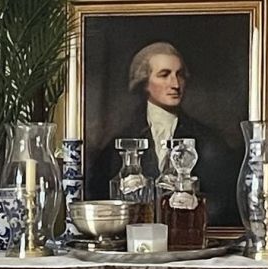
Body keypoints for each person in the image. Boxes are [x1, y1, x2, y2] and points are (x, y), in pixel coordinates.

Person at [90, 40, 241, 226]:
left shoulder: (209, 141)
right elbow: (101, 197)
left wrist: (197, 205)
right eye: (164, 75)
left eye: (180, 75)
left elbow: (225, 201)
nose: (175, 84)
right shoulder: (118, 142)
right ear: (144, 82)